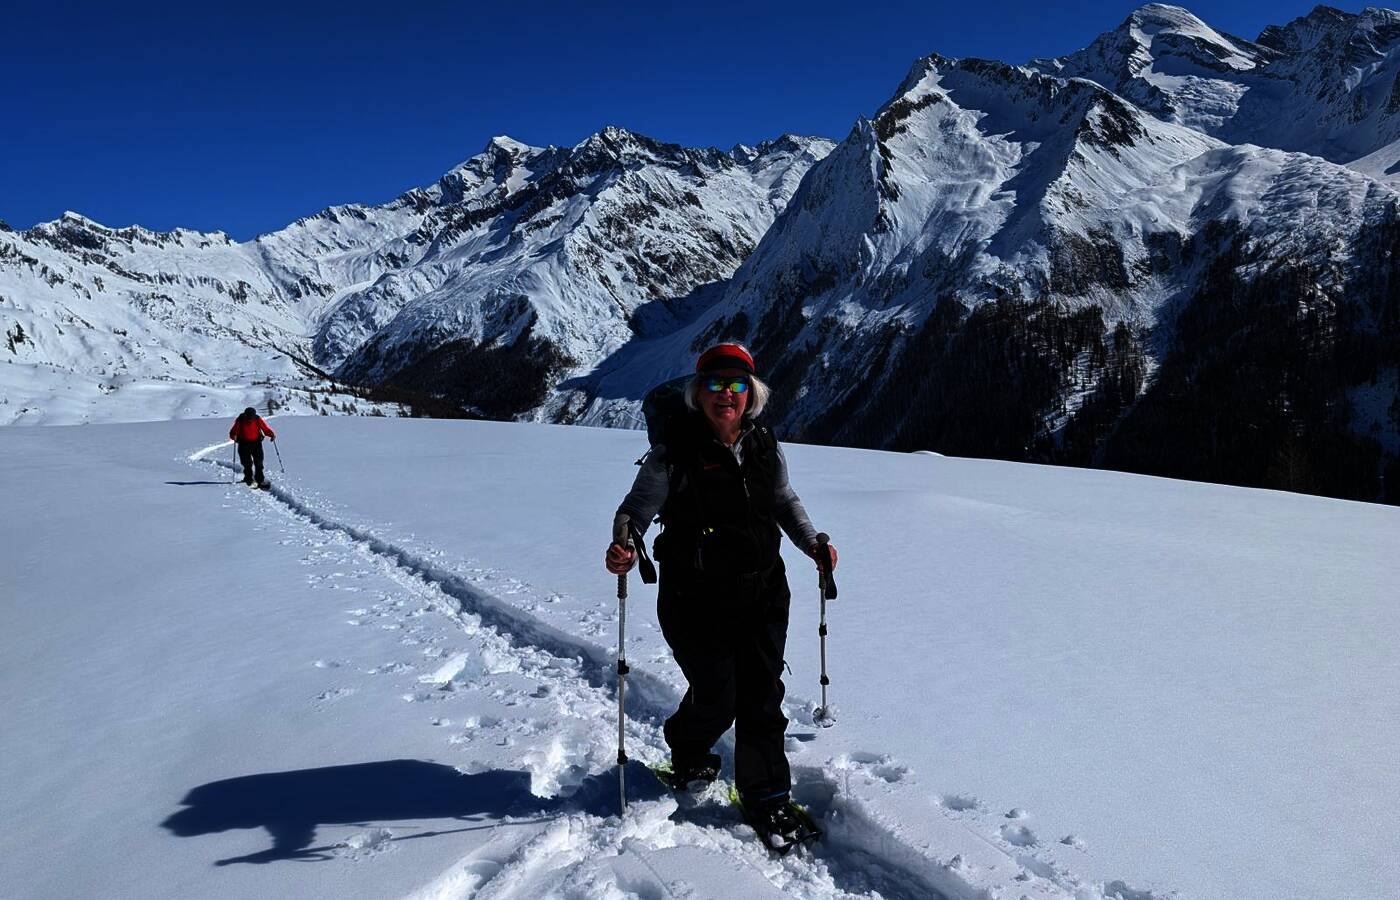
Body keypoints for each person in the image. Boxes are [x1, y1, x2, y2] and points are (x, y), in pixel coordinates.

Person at [605, 342, 837, 846]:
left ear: (751, 394)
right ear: (698, 393)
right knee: (719, 693)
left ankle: (768, 798)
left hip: (763, 592)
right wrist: (623, 544)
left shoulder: (763, 444)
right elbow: (637, 508)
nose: (725, 395)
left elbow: (782, 500)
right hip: (695, 597)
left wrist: (812, 543)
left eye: (736, 386)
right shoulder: (674, 452)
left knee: (761, 697)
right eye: (714, 385)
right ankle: (687, 748)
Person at [228, 406, 276, 487]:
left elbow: (265, 429)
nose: (250, 419)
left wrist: (271, 434)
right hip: (243, 444)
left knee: (259, 462)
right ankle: (248, 478)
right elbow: (232, 432)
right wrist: (234, 436)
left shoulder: (257, 419)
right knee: (247, 463)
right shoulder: (240, 420)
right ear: (245, 415)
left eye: (252, 417)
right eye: (249, 417)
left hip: (256, 443)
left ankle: (260, 479)